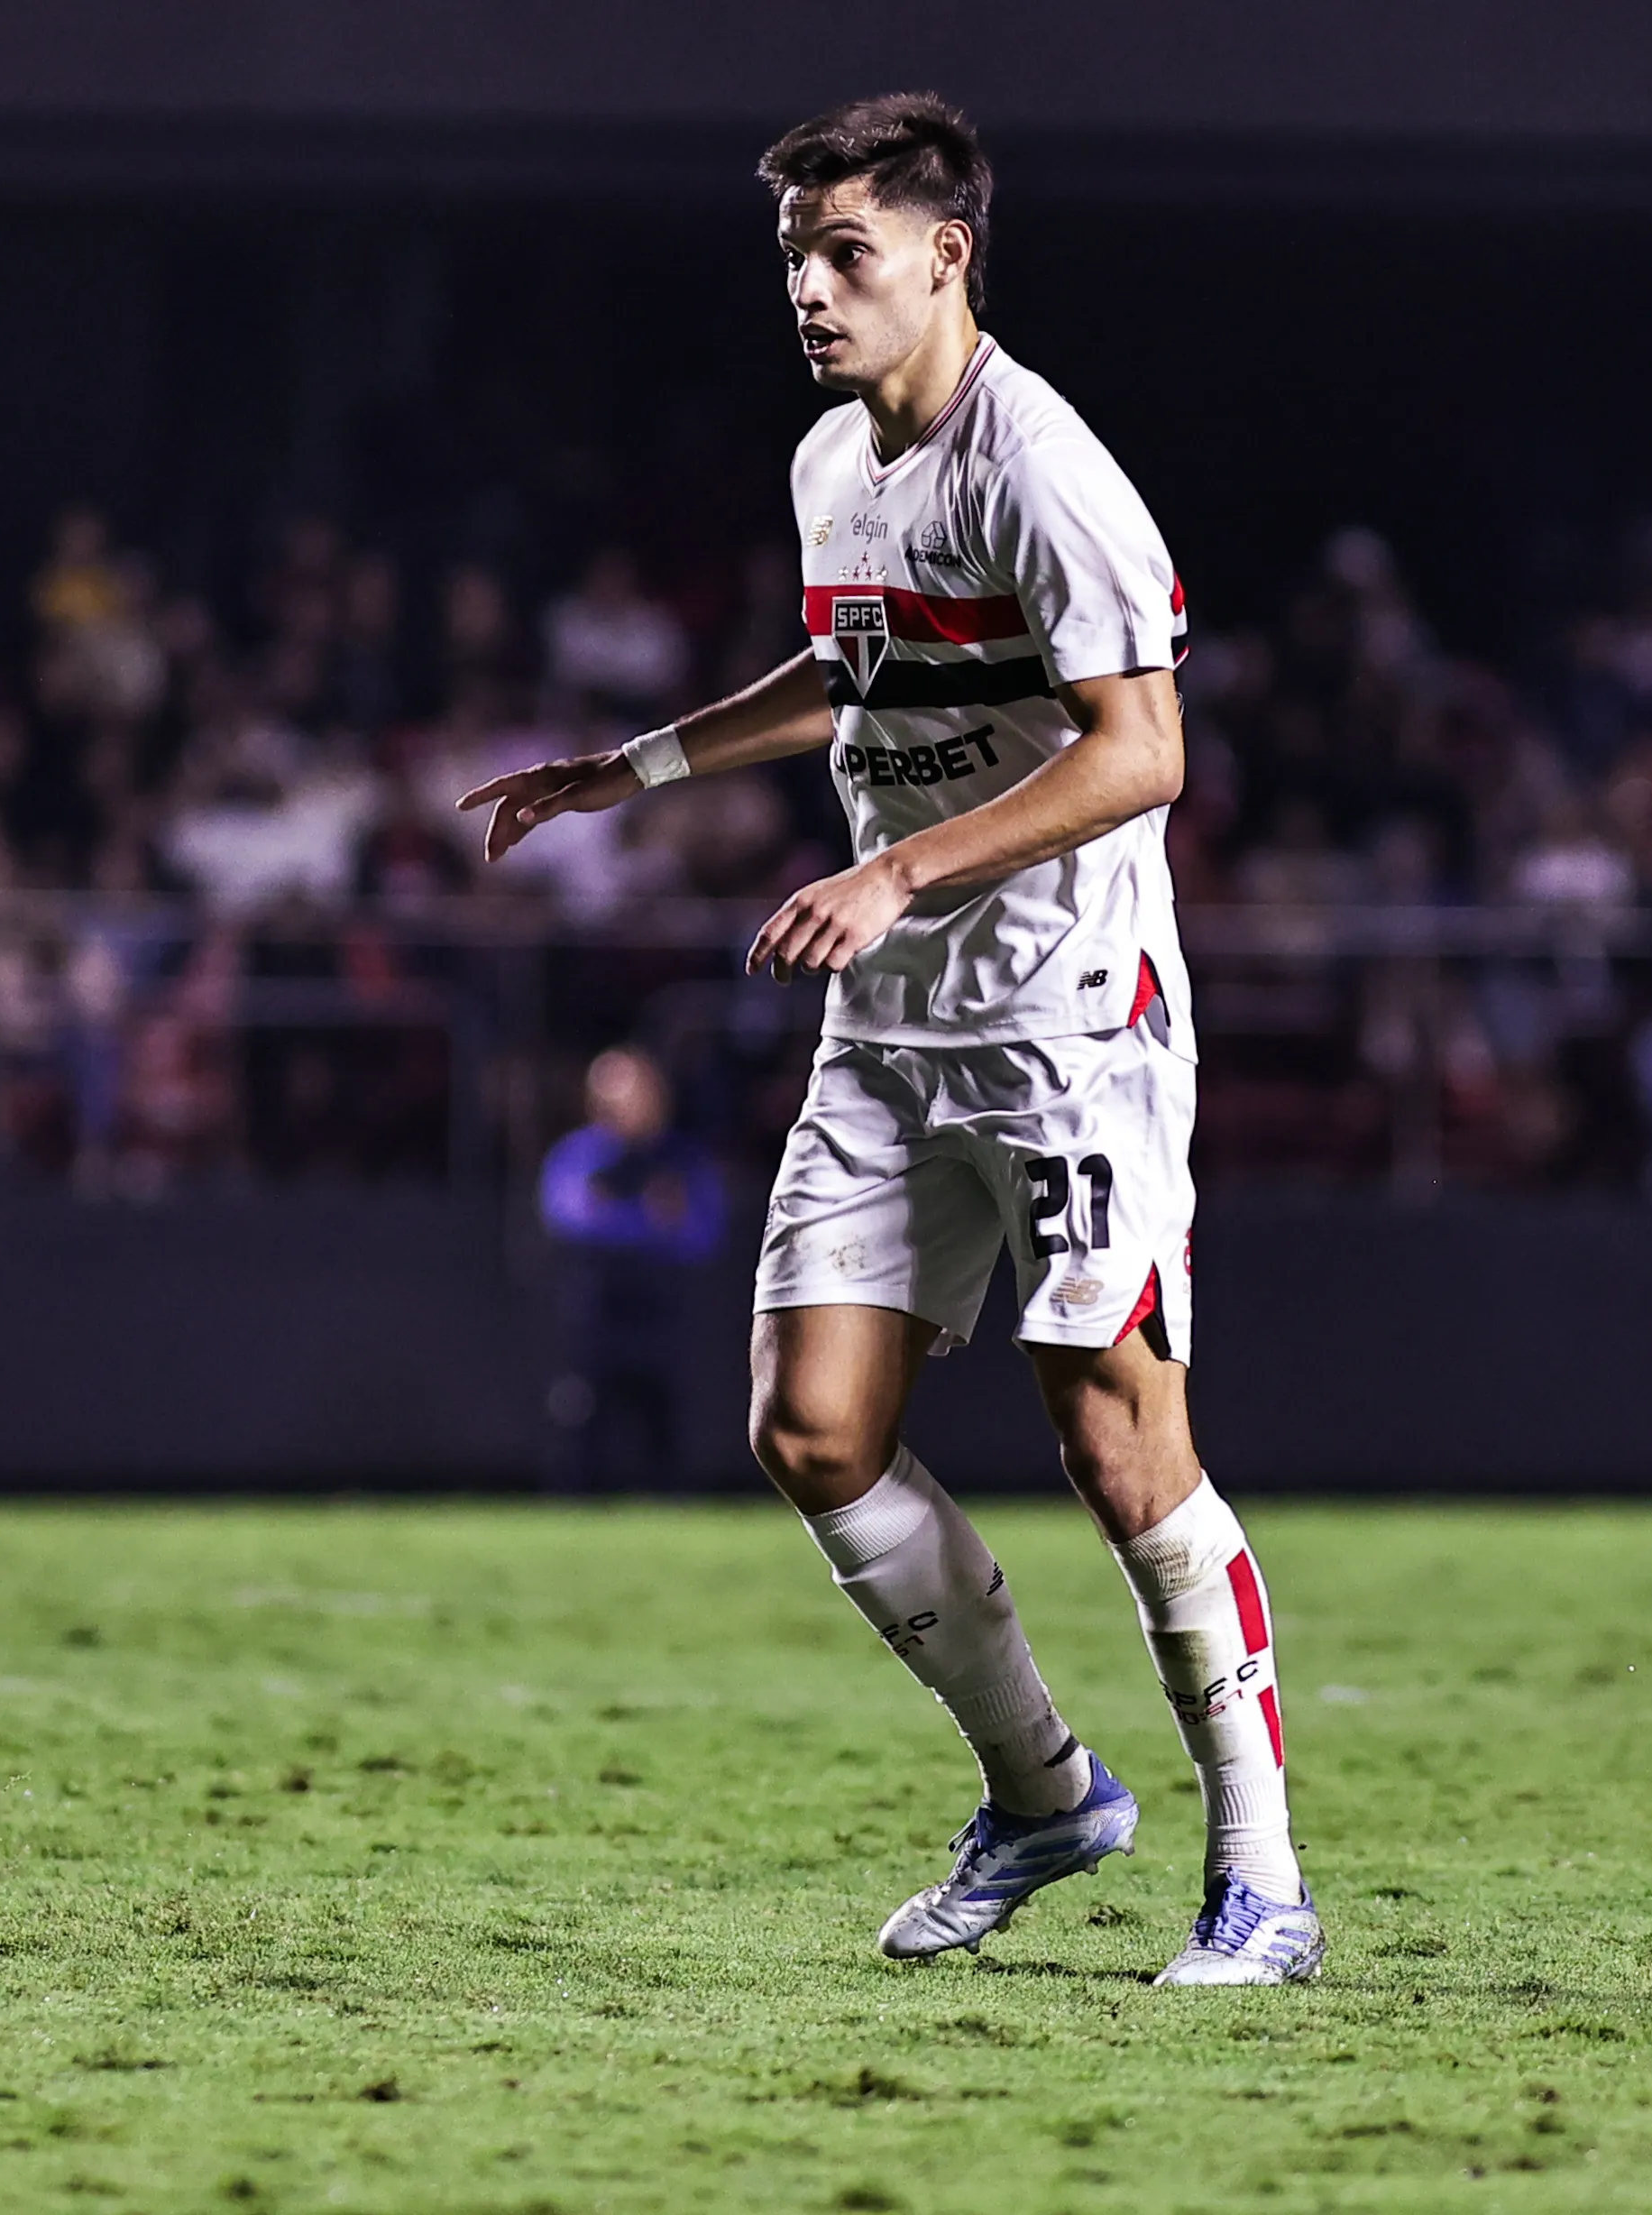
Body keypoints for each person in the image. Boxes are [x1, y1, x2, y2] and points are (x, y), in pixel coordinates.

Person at [460, 93, 1317, 1985]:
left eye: (845, 252)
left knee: (1114, 1446)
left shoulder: (1049, 472)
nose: (811, 289)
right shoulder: (828, 465)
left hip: (1070, 1025)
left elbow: (1143, 749)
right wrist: (635, 767)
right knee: (810, 1426)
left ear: (948, 255)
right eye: (792, 257)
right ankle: (1040, 1794)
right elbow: (859, 664)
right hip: (896, 1023)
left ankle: (1258, 1876)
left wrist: (900, 868)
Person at [537, 1047, 727, 1491]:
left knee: (664, 1441)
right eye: (608, 1096)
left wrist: (622, 1217)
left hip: (662, 1319)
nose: (620, 1107)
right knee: (581, 1438)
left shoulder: (683, 1161)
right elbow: (567, 1219)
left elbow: (701, 1234)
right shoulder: (578, 1156)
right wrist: (647, 1219)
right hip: (593, 1320)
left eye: (632, 1093)